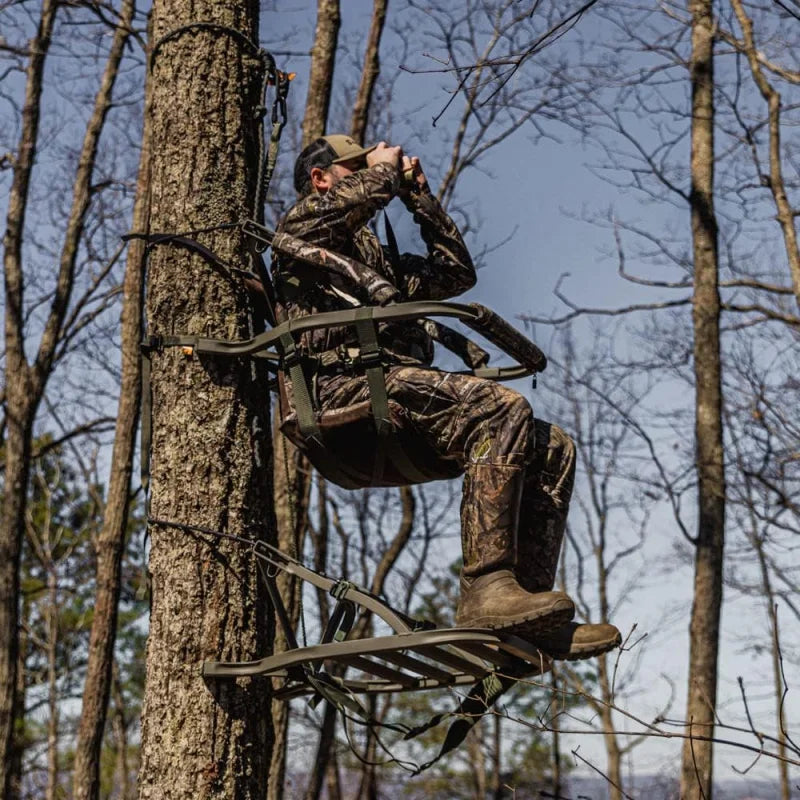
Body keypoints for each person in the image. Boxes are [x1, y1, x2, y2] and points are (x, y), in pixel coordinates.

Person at [270, 134, 620, 660]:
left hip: (395, 398)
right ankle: (486, 587)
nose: (372, 173)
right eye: (356, 168)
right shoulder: (302, 229)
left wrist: (419, 199)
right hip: (337, 394)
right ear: (322, 179)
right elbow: (336, 214)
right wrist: (385, 172)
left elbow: (456, 271)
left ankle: (523, 613)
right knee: (500, 407)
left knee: (552, 447)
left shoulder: (376, 255)